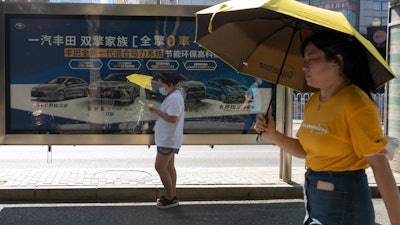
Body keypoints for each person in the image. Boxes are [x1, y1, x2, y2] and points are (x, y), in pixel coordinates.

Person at [254, 32, 400, 225]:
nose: (304, 66)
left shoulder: (356, 103)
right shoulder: (314, 101)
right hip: (315, 199)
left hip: (346, 203)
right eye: (304, 60)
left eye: (312, 59)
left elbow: (379, 165)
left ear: (336, 61)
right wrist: (272, 135)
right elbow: (307, 151)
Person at [148, 72, 184, 209]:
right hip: (168, 138)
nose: (159, 87)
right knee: (169, 167)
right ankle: (172, 194)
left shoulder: (174, 98)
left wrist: (156, 112)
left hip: (168, 139)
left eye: (160, 85)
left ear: (169, 84)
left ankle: (170, 198)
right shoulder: (172, 96)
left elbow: (173, 118)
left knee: (159, 167)